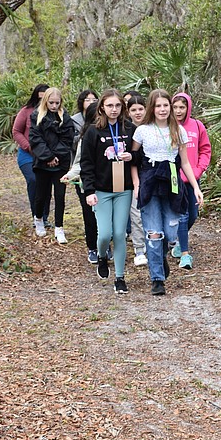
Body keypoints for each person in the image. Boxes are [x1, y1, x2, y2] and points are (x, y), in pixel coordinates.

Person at [131, 89, 203, 296]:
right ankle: (157, 278)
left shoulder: (178, 130)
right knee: (154, 233)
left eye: (166, 106)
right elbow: (134, 159)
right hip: (150, 181)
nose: (162, 109)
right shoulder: (142, 130)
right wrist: (136, 184)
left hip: (172, 181)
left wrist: (196, 187)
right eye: (158, 105)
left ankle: (160, 256)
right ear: (152, 108)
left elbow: (186, 162)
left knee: (170, 233)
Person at [80, 89, 137, 293]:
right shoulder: (93, 131)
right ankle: (102, 256)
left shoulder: (129, 128)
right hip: (102, 189)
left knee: (120, 234)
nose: (114, 110)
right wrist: (89, 191)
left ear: (123, 107)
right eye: (110, 105)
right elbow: (86, 163)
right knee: (105, 234)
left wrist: (132, 157)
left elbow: (140, 156)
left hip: (123, 189)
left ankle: (120, 278)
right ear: (102, 107)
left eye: (118, 106)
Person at [169, 92, 211, 269]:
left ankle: (179, 241)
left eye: (182, 107)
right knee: (183, 216)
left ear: (188, 108)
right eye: (175, 107)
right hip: (174, 179)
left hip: (193, 179)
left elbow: (205, 150)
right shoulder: (168, 127)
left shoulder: (197, 126)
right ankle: (185, 255)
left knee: (193, 215)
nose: (178, 111)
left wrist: (199, 170)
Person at [29, 87, 75, 244]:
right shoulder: (36, 116)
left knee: (60, 195)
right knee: (41, 193)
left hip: (60, 162)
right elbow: (35, 138)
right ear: (45, 101)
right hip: (42, 162)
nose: (54, 106)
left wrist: (56, 157)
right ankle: (39, 219)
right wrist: (48, 156)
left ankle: (59, 227)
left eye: (57, 102)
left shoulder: (65, 118)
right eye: (51, 102)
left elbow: (68, 139)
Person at [61, 102, 99, 263]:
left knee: (105, 220)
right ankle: (92, 248)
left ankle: (105, 247)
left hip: (109, 186)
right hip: (88, 185)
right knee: (90, 217)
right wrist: (69, 175)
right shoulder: (85, 139)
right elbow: (79, 163)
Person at [12, 84, 51, 228]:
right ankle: (36, 215)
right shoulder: (26, 111)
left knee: (46, 185)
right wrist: (28, 146)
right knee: (34, 180)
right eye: (39, 98)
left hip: (46, 155)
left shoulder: (53, 113)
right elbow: (16, 131)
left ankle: (44, 217)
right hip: (27, 155)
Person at [126, 94, 148, 267]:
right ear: (128, 112)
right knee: (136, 213)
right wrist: (135, 182)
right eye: (133, 110)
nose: (138, 113)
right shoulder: (126, 130)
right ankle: (139, 248)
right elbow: (133, 158)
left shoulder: (152, 127)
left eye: (141, 109)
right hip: (131, 176)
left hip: (153, 175)